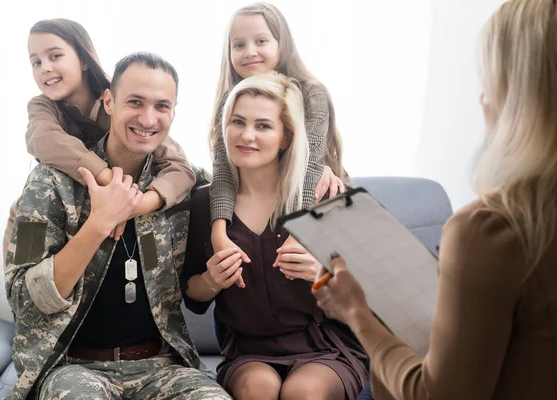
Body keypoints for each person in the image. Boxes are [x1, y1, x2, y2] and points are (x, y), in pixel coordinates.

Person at [313, 0, 557, 398]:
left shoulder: (492, 229)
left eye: (490, 82)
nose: (482, 100)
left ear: (522, 97)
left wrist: (356, 312)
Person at [4, 52, 230, 400]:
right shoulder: (48, 182)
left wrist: (321, 174)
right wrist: (99, 223)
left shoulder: (186, 186)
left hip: (162, 367)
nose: (148, 118)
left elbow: (252, 184)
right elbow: (26, 299)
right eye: (135, 102)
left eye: (162, 106)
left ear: (174, 111)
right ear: (109, 101)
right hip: (74, 369)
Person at [182, 72, 368, 400]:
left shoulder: (326, 196)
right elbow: (193, 298)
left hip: (325, 347)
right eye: (237, 122)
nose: (246, 135)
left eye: (263, 126)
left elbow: (371, 296)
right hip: (247, 351)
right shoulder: (203, 203)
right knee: (258, 388)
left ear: (285, 137)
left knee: (304, 392)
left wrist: (321, 274)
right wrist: (212, 280)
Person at [3, 18, 195, 258]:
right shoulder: (43, 106)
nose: (45, 68)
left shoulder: (122, 99)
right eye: (36, 62)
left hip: (113, 206)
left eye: (55, 56)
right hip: (49, 209)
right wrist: (108, 179)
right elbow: (42, 139)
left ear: (84, 59)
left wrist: (135, 206)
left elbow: (179, 167)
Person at [209, 3, 348, 283]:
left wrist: (300, 233)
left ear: (281, 44)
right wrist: (218, 234)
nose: (250, 51)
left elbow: (309, 166)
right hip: (260, 198)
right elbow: (223, 172)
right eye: (238, 44)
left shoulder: (310, 93)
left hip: (313, 196)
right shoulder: (230, 101)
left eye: (261, 41)